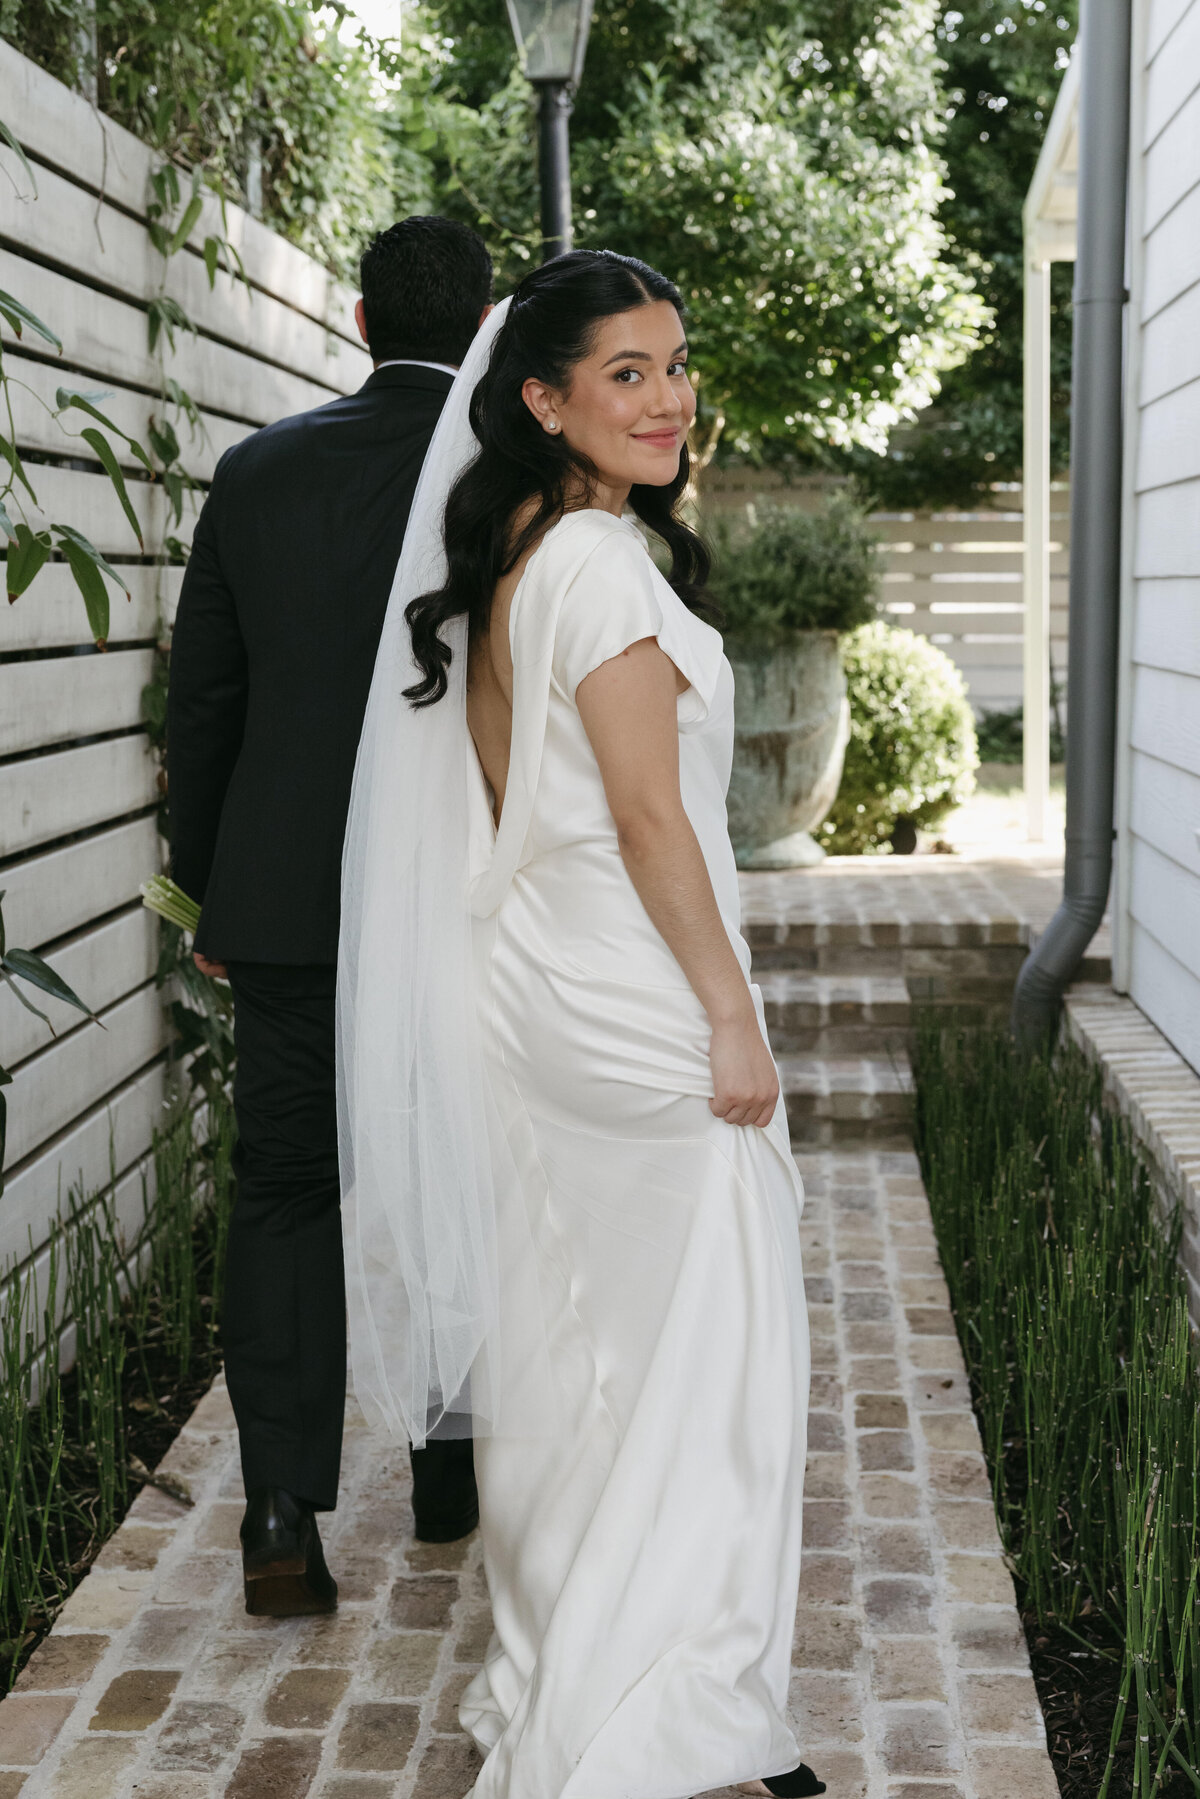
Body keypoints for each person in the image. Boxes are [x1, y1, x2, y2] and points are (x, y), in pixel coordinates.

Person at [337, 251, 823, 1795]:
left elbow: (506, 807)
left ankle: (559, 1658)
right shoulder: (605, 571)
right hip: (629, 1001)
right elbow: (645, 821)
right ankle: (670, 1709)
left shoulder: (523, 555)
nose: (670, 398)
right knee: (715, 1361)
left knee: (564, 1346)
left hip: (535, 986)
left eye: (676, 364)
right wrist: (730, 1024)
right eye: (627, 372)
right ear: (541, 399)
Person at [166, 216, 493, 1616]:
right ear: (488, 332)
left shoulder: (255, 472)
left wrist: (205, 884)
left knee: (285, 1191)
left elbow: (207, 707)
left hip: (289, 906)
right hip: (474, 904)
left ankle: (282, 1516)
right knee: (467, 1170)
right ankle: (449, 1477)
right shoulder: (515, 481)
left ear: (360, 320)